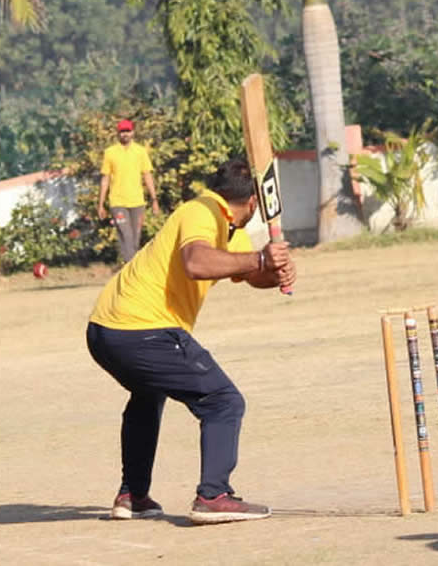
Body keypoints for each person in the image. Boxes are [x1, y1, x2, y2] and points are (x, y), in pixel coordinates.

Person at [86, 158, 295, 525]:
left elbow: (246, 272)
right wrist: (260, 257)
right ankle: (213, 495)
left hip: (107, 329)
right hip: (142, 328)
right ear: (252, 203)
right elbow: (196, 263)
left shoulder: (229, 226)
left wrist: (274, 271)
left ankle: (133, 496)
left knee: (148, 395)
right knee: (223, 400)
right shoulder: (201, 212)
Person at [97, 119, 161, 264]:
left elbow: (147, 175)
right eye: (122, 132)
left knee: (135, 239)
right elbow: (105, 179)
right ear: (118, 134)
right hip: (118, 201)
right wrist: (101, 204)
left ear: (133, 132)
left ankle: (131, 268)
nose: (125, 134)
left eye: (127, 131)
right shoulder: (110, 153)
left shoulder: (140, 151)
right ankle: (131, 270)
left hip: (137, 202)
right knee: (125, 236)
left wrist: (154, 199)